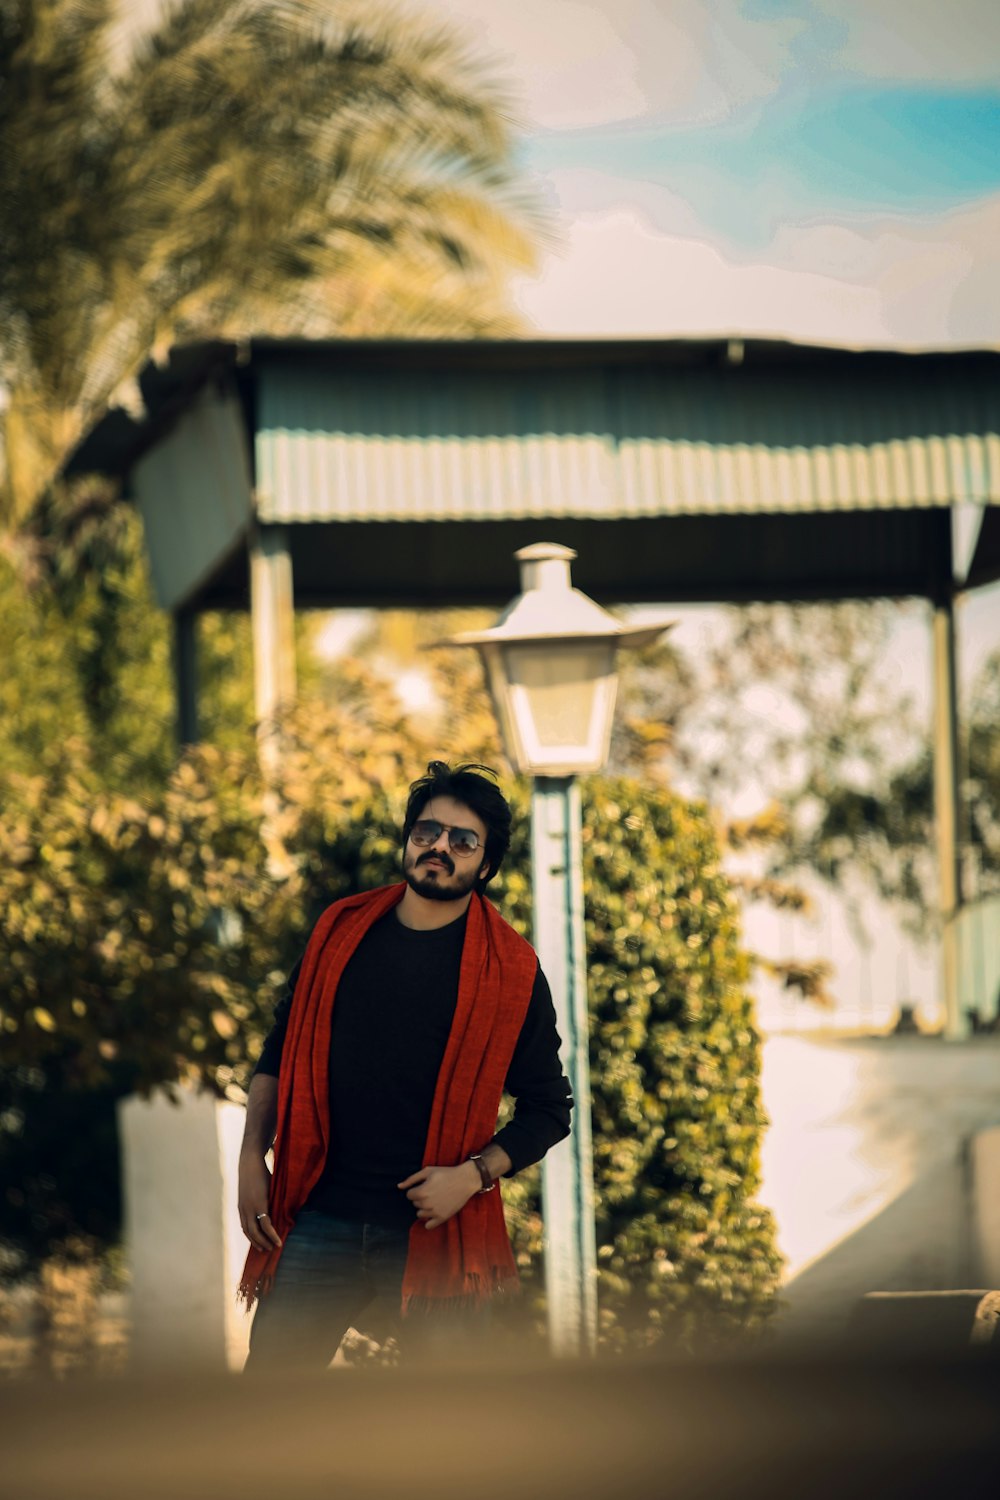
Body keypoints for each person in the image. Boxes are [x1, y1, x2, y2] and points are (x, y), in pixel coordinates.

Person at [237, 760, 573, 1371]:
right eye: (427, 832)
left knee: (448, 1432)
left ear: (485, 865)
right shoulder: (339, 933)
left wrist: (472, 1176)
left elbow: (550, 1109)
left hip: (436, 1232)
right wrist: (249, 1161)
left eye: (462, 840)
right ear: (408, 841)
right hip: (318, 1217)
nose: (439, 847)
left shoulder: (513, 972)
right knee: (268, 1411)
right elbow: (278, 1052)